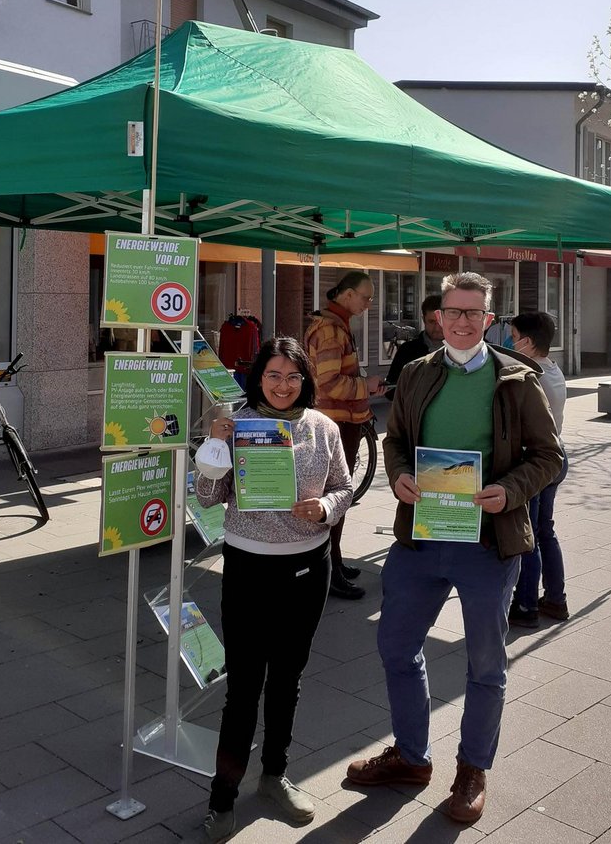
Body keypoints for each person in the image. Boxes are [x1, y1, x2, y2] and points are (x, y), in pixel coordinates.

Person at [345, 272, 562, 825]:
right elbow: (395, 440)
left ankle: (472, 769)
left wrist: (509, 491)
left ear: (489, 320)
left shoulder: (517, 379)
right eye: (453, 311)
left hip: (488, 543)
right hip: (421, 536)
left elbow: (550, 457)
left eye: (474, 313)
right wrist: (396, 476)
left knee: (486, 663)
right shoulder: (418, 372)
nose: (462, 321)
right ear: (438, 317)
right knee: (396, 647)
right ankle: (412, 757)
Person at [194, 336, 353, 843]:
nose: (283, 386)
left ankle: (273, 776)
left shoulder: (323, 428)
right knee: (243, 689)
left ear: (305, 379)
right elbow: (207, 495)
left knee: (288, 678)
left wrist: (325, 509)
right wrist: (215, 445)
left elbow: (344, 488)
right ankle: (222, 798)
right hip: (247, 570)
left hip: (308, 570)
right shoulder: (236, 425)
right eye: (273, 376)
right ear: (258, 378)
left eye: (293, 376)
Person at [304, 270, 384, 599]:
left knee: (337, 499)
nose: (369, 304)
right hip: (335, 425)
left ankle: (333, 561)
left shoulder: (336, 324)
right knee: (335, 499)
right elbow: (327, 383)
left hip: (339, 423)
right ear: (347, 295)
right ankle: (328, 570)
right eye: (366, 297)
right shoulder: (330, 329)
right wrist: (366, 386)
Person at [507, 312, 569, 627]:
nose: (509, 343)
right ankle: (556, 599)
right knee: (545, 530)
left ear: (527, 343)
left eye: (514, 337)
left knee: (528, 534)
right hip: (557, 457)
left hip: (535, 463)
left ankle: (527, 605)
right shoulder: (554, 370)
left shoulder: (531, 376)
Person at [385, 294, 443, 396]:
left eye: (440, 322)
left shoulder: (460, 350)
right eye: (432, 322)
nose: (437, 328)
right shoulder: (407, 350)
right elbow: (391, 390)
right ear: (423, 319)